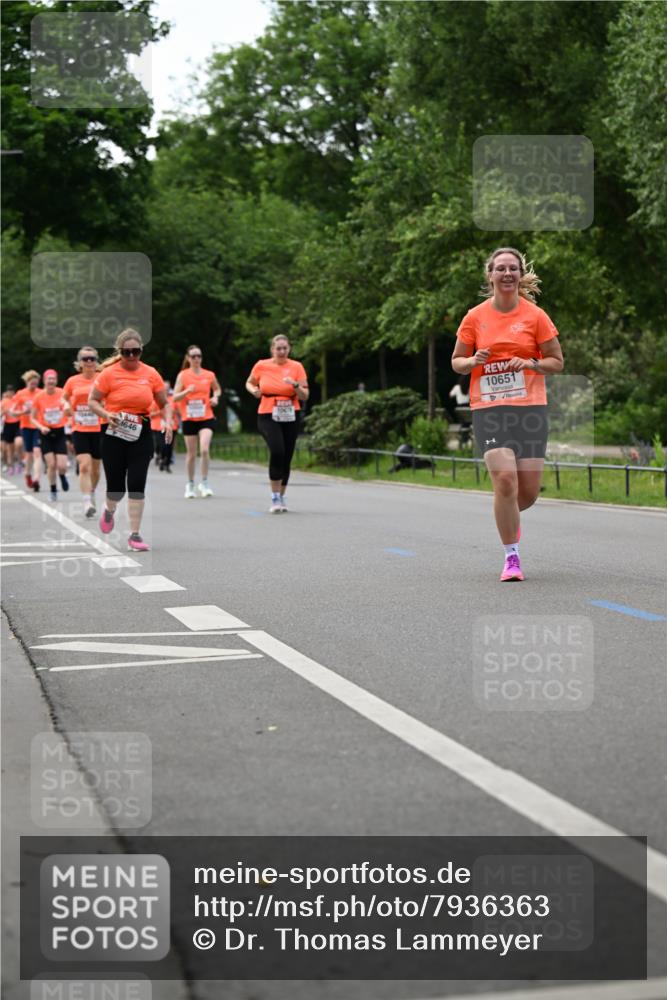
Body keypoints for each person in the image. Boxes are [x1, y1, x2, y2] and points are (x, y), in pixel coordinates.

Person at [451, 247, 564, 581]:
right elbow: (457, 360)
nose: (507, 274)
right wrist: (472, 362)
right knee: (504, 480)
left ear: (519, 274)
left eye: (512, 268)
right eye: (500, 268)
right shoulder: (474, 316)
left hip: (529, 410)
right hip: (489, 409)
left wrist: (530, 363)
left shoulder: (536, 316)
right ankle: (511, 557)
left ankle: (508, 516)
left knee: (525, 493)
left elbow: (557, 362)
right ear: (490, 275)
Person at [88, 329, 172, 552]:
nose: (132, 356)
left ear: (141, 351)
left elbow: (164, 403)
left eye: (136, 351)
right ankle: (109, 509)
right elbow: (93, 401)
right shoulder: (108, 374)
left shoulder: (151, 373)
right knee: (116, 487)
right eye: (127, 352)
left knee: (136, 484)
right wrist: (106, 415)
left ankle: (134, 535)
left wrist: (169, 422)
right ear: (120, 352)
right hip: (113, 433)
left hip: (140, 433)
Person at [245, 334, 309, 513]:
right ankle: (274, 497)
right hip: (267, 413)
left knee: (287, 456)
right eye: (278, 348)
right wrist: (254, 390)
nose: (281, 351)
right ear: (272, 350)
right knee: (277, 450)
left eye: (285, 348)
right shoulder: (261, 365)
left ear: (289, 349)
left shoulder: (297, 367)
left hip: (290, 414)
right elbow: (249, 383)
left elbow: (305, 395)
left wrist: (295, 385)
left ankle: (281, 496)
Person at [172, 346, 221, 498]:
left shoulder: (209, 374)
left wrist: (215, 397)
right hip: (189, 418)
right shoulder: (183, 375)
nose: (196, 359)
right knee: (191, 454)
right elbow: (174, 397)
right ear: (188, 358)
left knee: (205, 449)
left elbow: (217, 389)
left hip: (206, 416)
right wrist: (187, 391)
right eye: (193, 356)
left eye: (199, 356)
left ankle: (205, 482)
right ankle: (190, 484)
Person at [62, 346, 102, 518]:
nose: (89, 362)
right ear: (79, 362)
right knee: (84, 466)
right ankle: (86, 501)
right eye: (85, 359)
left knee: (96, 470)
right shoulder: (72, 381)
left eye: (92, 358)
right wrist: (66, 405)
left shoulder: (102, 378)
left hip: (100, 428)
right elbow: (64, 398)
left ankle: (91, 491)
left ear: (96, 361)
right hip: (80, 428)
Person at [29, 370, 70, 502]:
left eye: (53, 379)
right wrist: (41, 427)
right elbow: (32, 418)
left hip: (59, 432)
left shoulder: (62, 393)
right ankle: (53, 489)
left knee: (62, 466)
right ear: (44, 381)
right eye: (48, 379)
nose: (51, 381)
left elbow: (69, 408)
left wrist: (68, 416)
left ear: (56, 380)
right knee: (51, 465)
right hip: (45, 433)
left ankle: (63, 476)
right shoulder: (39, 397)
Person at [11, 370, 42, 490]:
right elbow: (13, 413)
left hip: (38, 426)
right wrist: (23, 411)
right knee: (29, 454)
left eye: (36, 384)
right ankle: (27, 474)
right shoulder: (20, 394)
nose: (34, 386)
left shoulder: (41, 393)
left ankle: (36, 479)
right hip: (26, 427)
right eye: (31, 384)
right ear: (27, 382)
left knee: (37, 452)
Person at [1, 387, 22, 474]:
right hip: (7, 425)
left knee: (18, 443)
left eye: (12, 392)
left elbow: (22, 410)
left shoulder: (17, 400)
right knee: (8, 447)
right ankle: (10, 465)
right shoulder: (4, 401)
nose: (10, 393)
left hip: (17, 424)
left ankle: (19, 461)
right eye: (8, 392)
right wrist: (4, 412)